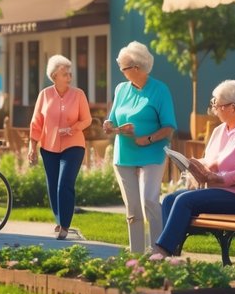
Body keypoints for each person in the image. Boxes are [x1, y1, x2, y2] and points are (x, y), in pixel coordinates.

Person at [153, 80, 235, 257]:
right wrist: (195, 165)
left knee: (185, 201)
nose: (213, 107)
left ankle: (162, 251)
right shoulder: (220, 130)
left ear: (232, 108)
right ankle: (171, 249)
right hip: (220, 190)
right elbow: (211, 160)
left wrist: (220, 179)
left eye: (216, 103)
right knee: (169, 199)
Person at [104, 41, 177, 253]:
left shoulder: (160, 90)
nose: (121, 72)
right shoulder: (121, 89)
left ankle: (158, 252)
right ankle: (135, 255)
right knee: (133, 209)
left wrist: (148, 139)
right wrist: (109, 125)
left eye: (123, 68)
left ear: (136, 68)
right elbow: (113, 118)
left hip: (152, 151)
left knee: (150, 202)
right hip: (124, 154)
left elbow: (169, 127)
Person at [28, 54, 92, 240]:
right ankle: (59, 218)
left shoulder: (78, 94)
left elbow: (87, 119)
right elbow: (36, 122)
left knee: (65, 183)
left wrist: (73, 129)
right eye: (65, 74)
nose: (69, 77)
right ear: (54, 75)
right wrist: (32, 146)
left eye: (70, 74)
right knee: (53, 185)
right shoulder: (45, 95)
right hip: (49, 146)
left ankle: (65, 225)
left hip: (74, 145)